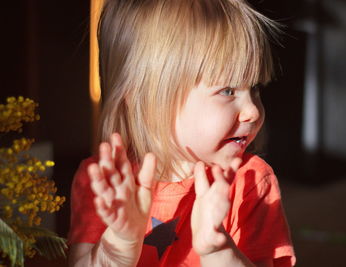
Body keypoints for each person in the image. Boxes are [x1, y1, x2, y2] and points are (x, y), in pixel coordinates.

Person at [68, 0, 295, 266]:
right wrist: (119, 246)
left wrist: (218, 251)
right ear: (148, 99)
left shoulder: (251, 182)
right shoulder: (108, 184)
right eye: (228, 91)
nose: (252, 111)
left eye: (255, 88)